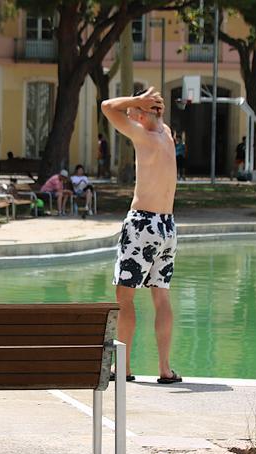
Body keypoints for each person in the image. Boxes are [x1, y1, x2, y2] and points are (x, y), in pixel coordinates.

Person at [101, 86, 181, 385]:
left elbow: (108, 106)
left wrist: (136, 102)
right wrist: (148, 105)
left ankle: (123, 368)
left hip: (142, 224)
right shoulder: (167, 136)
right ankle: (165, 369)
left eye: (135, 111)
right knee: (161, 297)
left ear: (141, 112)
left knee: (125, 297)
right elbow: (136, 112)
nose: (130, 114)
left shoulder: (143, 135)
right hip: (167, 226)